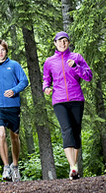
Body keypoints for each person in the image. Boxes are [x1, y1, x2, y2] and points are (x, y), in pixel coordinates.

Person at [43, 31, 92, 180]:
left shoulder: (76, 57)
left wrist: (76, 66)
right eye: (59, 41)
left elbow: (88, 76)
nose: (62, 43)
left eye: (65, 41)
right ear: (55, 44)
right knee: (67, 129)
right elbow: (46, 79)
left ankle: (73, 165)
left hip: (76, 99)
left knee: (76, 131)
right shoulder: (49, 61)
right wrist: (46, 88)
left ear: (69, 43)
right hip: (59, 101)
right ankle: (73, 167)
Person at [0, 39, 28, 182]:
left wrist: (14, 91)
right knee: (1, 134)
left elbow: (24, 81)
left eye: (2, 50)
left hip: (13, 105)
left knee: (14, 137)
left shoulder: (14, 65)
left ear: (6, 51)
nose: (0, 53)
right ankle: (6, 167)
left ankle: (15, 166)